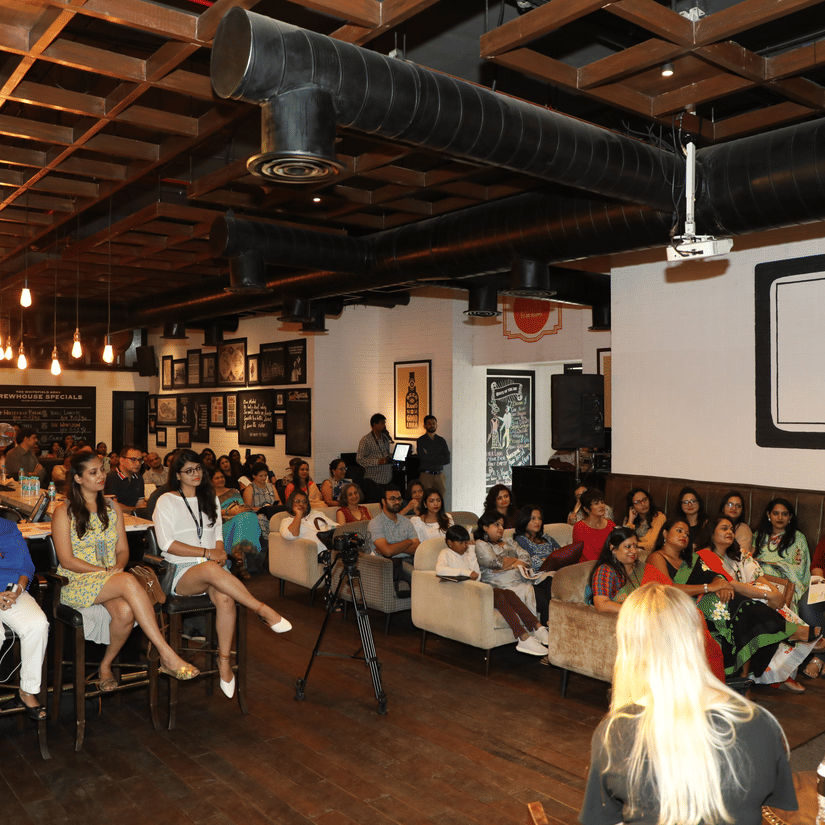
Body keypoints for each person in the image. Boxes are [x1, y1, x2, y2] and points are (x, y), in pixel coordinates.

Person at [580, 583, 797, 825]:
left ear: (628, 648)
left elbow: (600, 819)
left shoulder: (615, 733)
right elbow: (779, 809)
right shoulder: (759, 722)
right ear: (697, 637)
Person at [52, 451, 199, 689]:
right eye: (93, 472)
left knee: (124, 612)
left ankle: (105, 665)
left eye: (101, 469)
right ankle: (166, 653)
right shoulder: (64, 511)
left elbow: (123, 550)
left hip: (111, 578)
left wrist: (118, 566)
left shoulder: (113, 508)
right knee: (128, 582)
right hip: (78, 580)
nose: (101, 476)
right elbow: (66, 560)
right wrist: (106, 572)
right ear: (78, 478)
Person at [153, 449, 291, 699]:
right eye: (189, 471)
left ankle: (224, 661)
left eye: (198, 469)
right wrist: (208, 553)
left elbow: (217, 532)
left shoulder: (209, 497)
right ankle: (262, 609)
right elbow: (167, 544)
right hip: (179, 572)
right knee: (210, 569)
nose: (196, 474)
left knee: (226, 598)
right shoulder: (166, 500)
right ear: (177, 474)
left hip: (212, 570)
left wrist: (218, 551)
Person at [653, 516, 818, 679]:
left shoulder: (691, 559)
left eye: (687, 533)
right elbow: (667, 589)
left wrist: (720, 583)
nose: (684, 536)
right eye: (679, 531)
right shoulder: (658, 557)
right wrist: (711, 586)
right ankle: (787, 631)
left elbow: (711, 575)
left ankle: (744, 678)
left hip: (710, 599)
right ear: (665, 534)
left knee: (741, 609)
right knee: (739, 606)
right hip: (676, 605)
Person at [437, 524, 548, 656]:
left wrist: (471, 553)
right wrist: (466, 572)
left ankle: (537, 628)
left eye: (466, 542)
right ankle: (522, 636)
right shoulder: (445, 553)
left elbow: (477, 575)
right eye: (461, 543)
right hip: (464, 594)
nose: (465, 546)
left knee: (509, 593)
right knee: (499, 596)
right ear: (450, 543)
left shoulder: (468, 553)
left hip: (477, 590)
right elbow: (440, 570)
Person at [0, 519, 49, 720]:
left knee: (38, 624)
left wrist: (18, 590)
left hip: (10, 591)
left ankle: (27, 690)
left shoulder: (7, 527)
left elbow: (26, 566)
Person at [473, 510, 538, 621]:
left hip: (521, 579)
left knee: (538, 586)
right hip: (498, 584)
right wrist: (516, 560)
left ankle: (535, 630)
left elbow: (526, 558)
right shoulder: (481, 544)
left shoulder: (509, 541)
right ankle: (533, 629)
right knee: (527, 590)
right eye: (496, 524)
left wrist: (511, 566)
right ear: (485, 527)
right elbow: (496, 562)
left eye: (502, 525)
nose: (501, 528)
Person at [752, 497, 810, 614]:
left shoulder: (798, 538)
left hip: (785, 584)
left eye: (784, 514)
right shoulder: (759, 535)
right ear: (769, 515)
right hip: (759, 581)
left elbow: (801, 569)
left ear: (790, 517)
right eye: (776, 513)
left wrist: (777, 566)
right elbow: (749, 559)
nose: (780, 518)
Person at [209, 467, 263, 578]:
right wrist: (230, 511)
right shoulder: (208, 496)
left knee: (249, 517)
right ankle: (241, 565)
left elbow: (242, 505)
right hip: (223, 522)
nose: (220, 479)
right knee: (243, 521)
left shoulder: (233, 491)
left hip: (240, 519)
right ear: (211, 481)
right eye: (217, 478)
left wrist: (241, 509)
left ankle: (238, 555)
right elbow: (209, 513)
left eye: (222, 477)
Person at [367, 485, 420, 591]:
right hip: (393, 564)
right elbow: (387, 552)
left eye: (399, 499)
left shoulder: (406, 521)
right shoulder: (376, 523)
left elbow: (417, 548)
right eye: (392, 499)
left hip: (413, 559)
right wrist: (408, 542)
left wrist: (391, 546)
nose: (397, 502)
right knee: (421, 578)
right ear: (383, 501)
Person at [586, 527, 645, 614]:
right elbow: (601, 604)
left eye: (635, 546)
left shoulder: (641, 568)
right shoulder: (605, 571)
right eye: (627, 546)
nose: (633, 551)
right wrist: (635, 610)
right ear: (613, 548)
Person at [279, 490, 337, 555]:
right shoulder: (287, 521)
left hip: (334, 547)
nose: (301, 504)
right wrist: (298, 514)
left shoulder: (317, 514)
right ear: (291, 504)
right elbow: (290, 536)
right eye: (297, 501)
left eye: (304, 502)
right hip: (318, 553)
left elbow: (336, 526)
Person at [242, 462, 281, 545]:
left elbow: (279, 502)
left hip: (271, 512)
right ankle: (267, 542)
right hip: (257, 514)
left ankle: (278, 543)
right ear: (254, 476)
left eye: (265, 475)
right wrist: (262, 509)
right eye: (261, 476)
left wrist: (273, 508)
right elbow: (248, 508)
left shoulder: (271, 487)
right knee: (261, 517)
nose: (264, 478)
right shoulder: (250, 489)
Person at [573, 488, 616, 562]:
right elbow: (585, 555)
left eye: (602, 502)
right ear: (586, 509)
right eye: (596, 503)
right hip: (587, 567)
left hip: (607, 565)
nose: (601, 506)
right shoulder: (579, 527)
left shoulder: (611, 525)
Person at [103, 445, 146, 514]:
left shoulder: (138, 478)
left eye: (140, 460)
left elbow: (140, 503)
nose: (137, 463)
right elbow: (112, 505)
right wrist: (134, 510)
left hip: (134, 517)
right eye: (133, 459)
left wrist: (138, 511)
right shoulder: (111, 477)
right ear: (122, 460)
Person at [356, 413, 393, 492]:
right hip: (374, 482)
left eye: (384, 423)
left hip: (387, 479)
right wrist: (378, 462)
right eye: (382, 423)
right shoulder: (366, 440)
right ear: (375, 425)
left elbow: (384, 454)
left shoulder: (385, 438)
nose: (384, 425)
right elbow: (359, 459)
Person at [622, 487, 665, 554]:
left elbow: (651, 545)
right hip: (631, 554)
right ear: (632, 506)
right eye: (638, 502)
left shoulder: (659, 517)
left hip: (650, 555)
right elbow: (623, 541)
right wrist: (630, 521)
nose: (643, 504)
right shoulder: (629, 518)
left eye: (645, 500)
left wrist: (632, 544)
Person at [416, 415, 450, 499]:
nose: (432, 425)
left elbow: (447, 459)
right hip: (426, 475)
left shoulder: (441, 440)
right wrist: (438, 457)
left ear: (436, 425)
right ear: (425, 426)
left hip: (440, 475)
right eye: (429, 423)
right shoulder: (421, 440)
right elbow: (423, 457)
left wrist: (430, 456)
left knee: (440, 499)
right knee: (426, 499)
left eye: (434, 423)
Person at [718, 490, 753, 558]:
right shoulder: (713, 524)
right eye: (730, 504)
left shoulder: (744, 529)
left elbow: (742, 556)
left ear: (741, 511)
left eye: (738, 506)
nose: (734, 508)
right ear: (723, 508)